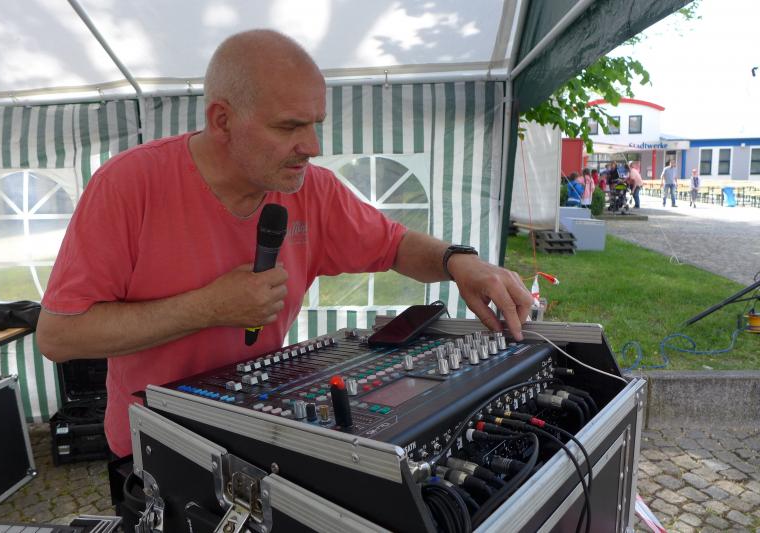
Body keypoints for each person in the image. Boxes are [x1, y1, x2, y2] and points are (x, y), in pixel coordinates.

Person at [35, 30, 533, 459]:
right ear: (222, 120)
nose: (312, 146)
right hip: (156, 446)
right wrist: (208, 308)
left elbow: (397, 246)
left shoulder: (311, 189)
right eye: (289, 126)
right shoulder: (129, 184)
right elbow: (59, 337)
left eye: (315, 123)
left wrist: (458, 261)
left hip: (257, 434)